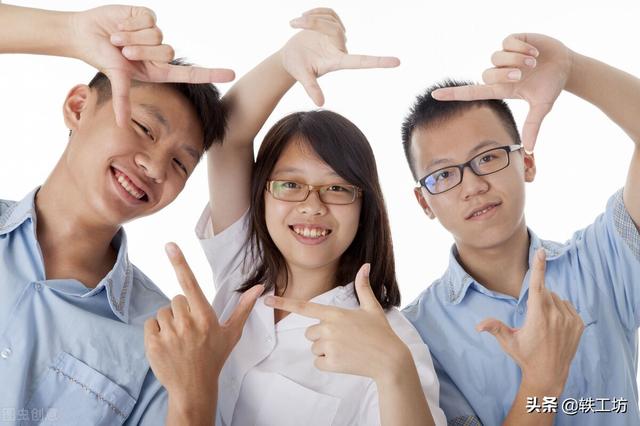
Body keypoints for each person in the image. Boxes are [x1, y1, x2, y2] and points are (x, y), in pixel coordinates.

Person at [0, 3, 260, 424]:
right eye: (144, 129)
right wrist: (67, 32)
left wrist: (195, 394)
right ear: (79, 107)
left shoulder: (163, 341)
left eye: (180, 164)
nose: (155, 168)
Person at [189, 8, 447, 426]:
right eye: (291, 184)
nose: (312, 206)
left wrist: (394, 370)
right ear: (262, 194)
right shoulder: (242, 264)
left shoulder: (389, 337)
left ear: (365, 207)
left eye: (337, 188)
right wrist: (285, 62)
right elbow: (227, 136)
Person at [401, 33, 640, 425]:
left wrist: (573, 69)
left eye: (487, 157)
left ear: (526, 162)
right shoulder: (417, 335)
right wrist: (543, 381)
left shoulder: (600, 261)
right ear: (424, 201)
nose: (472, 186)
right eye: (443, 175)